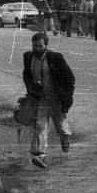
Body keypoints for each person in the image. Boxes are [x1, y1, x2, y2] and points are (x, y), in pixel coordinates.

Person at [22, 32, 75, 169]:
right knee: (40, 125)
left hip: (56, 97)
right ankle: (41, 156)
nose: (37, 49)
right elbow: (26, 75)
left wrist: (67, 99)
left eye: (40, 46)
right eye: (35, 46)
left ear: (46, 45)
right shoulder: (28, 57)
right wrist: (31, 89)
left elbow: (70, 79)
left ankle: (64, 139)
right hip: (40, 98)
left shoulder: (55, 58)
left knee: (60, 125)